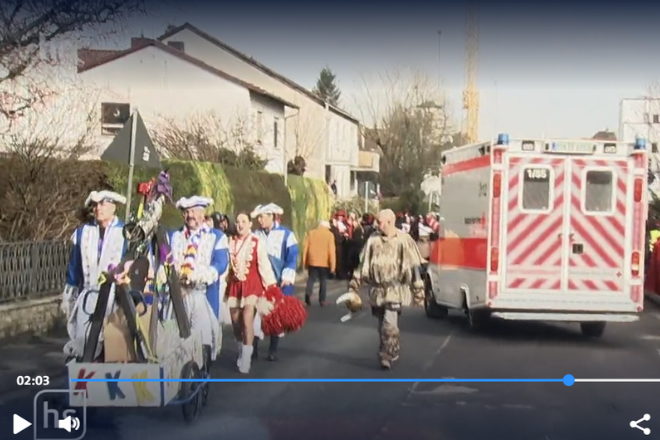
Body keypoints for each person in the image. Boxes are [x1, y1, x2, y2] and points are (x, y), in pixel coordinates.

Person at [346, 209, 426, 370]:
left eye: (380, 221)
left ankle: (387, 354)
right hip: (377, 291)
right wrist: (354, 286)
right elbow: (363, 265)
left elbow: (414, 267)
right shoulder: (373, 240)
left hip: (395, 290)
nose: (377, 224)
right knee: (381, 324)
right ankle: (388, 347)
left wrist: (418, 291)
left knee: (389, 324)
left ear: (390, 222)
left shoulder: (404, 240)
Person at [61, 190, 128, 359]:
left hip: (114, 298)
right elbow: (74, 266)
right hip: (88, 296)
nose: (98, 208)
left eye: (103, 204)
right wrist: (68, 295)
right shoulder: (84, 232)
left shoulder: (125, 233)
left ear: (113, 208)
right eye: (96, 205)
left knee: (111, 343)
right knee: (85, 343)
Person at [169, 196, 229, 361]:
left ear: (203, 214)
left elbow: (221, 263)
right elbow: (167, 261)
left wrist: (198, 275)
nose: (190, 216)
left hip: (202, 295)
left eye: (194, 211)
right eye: (187, 212)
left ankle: (201, 376)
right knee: (177, 341)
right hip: (178, 296)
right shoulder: (175, 236)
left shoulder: (216, 236)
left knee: (202, 341)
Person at [225, 211, 282, 373]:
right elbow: (226, 268)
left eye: (243, 221)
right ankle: (242, 350)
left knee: (247, 318)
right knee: (236, 323)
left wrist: (271, 286)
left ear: (250, 224)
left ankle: (246, 358)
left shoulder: (257, 243)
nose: (240, 225)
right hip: (236, 286)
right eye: (237, 222)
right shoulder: (231, 242)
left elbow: (264, 265)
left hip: (252, 286)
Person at [252, 202, 299, 361]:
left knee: (275, 316)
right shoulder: (256, 235)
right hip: (259, 282)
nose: (259, 220)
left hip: (278, 282)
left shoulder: (287, 235)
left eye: (262, 217)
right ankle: (253, 348)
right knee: (256, 316)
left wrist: (287, 277)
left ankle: (273, 349)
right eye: (258, 217)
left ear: (271, 216)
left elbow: (292, 257)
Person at [302, 220, 336, 306]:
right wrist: (332, 267)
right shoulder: (329, 235)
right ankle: (322, 300)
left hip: (312, 261)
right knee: (323, 281)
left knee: (311, 279)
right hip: (324, 262)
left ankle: (308, 295)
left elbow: (305, 248)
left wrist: (304, 262)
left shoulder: (311, 233)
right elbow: (331, 251)